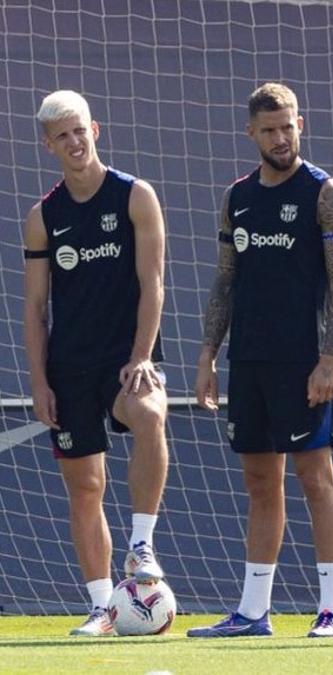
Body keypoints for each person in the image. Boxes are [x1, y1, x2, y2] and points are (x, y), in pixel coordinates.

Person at [189, 82, 333, 639]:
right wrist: (209, 354)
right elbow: (224, 281)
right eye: (269, 130)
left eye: (287, 127)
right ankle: (253, 611)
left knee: (316, 478)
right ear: (251, 134)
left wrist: (329, 359)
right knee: (261, 483)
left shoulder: (324, 192)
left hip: (304, 361)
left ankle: (332, 610)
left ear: (300, 125)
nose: (280, 138)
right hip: (249, 362)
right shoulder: (238, 196)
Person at [22, 90, 170, 637]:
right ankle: (103, 607)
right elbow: (36, 308)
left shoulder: (135, 197)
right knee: (85, 487)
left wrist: (140, 356)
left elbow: (153, 284)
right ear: (49, 144)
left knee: (150, 414)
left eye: (80, 130)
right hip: (69, 364)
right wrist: (39, 381)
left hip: (125, 357)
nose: (74, 141)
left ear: (96, 129)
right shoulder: (43, 217)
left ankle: (142, 545)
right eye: (62, 135)